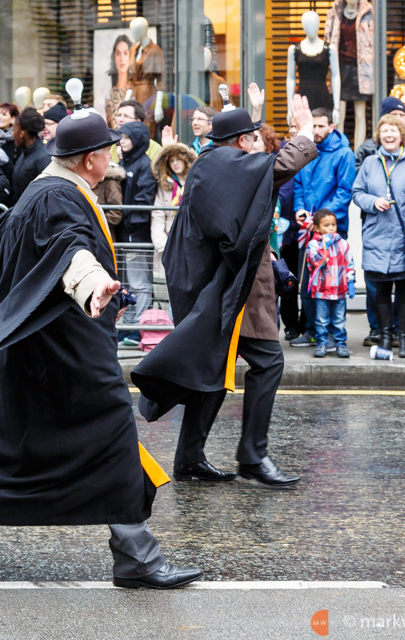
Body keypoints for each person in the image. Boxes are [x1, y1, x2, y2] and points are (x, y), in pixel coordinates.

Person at [0, 108, 203, 589]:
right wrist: (96, 283)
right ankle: (137, 558)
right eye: (106, 152)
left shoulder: (47, 188)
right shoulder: (59, 197)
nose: (111, 159)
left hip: (39, 349)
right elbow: (69, 249)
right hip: (64, 354)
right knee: (111, 431)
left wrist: (104, 293)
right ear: (88, 160)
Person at [132, 96, 317, 487]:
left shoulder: (213, 163)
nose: (254, 146)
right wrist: (302, 133)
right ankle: (252, 456)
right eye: (251, 138)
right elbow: (278, 167)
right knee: (268, 362)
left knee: (212, 370)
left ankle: (189, 459)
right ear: (242, 141)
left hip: (217, 288)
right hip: (222, 291)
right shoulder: (220, 164)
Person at [352, 114, 405, 357]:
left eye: (394, 131)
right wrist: (372, 201)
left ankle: (404, 339)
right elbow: (356, 192)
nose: (389, 135)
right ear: (379, 135)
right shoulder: (369, 163)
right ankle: (386, 337)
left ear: (402, 135)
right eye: (385, 131)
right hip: (377, 234)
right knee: (381, 289)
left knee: (404, 287)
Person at [288, 107, 356, 348]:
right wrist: (299, 210)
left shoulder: (344, 153)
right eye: (312, 126)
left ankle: (334, 336)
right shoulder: (305, 150)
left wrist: (318, 219)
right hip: (307, 230)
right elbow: (297, 186)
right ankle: (313, 332)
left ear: (331, 127)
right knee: (308, 284)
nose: (315, 130)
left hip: (331, 231)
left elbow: (344, 192)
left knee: (333, 286)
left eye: (320, 126)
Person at [116, 120, 157, 345]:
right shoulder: (127, 163)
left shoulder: (144, 165)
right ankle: (127, 326)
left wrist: (129, 222)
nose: (121, 142)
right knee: (127, 283)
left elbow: (143, 200)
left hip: (136, 236)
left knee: (139, 283)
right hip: (124, 235)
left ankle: (139, 327)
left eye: (126, 138)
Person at [305, 209, 355, 358]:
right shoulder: (313, 244)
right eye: (326, 225)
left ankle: (341, 344)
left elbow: (349, 263)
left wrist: (351, 281)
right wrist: (324, 246)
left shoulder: (343, 244)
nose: (331, 228)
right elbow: (315, 261)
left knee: (339, 320)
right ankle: (322, 344)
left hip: (339, 289)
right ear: (317, 228)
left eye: (333, 225)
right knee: (321, 320)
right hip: (322, 289)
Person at [150, 142, 196, 285]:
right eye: (171, 161)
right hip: (170, 241)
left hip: (192, 240)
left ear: (185, 160)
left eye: (178, 159)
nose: (175, 164)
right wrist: (163, 245)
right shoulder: (165, 185)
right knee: (170, 286)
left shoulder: (195, 181)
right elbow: (158, 214)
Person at [9, 107, 50, 205]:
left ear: (22, 133)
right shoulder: (25, 153)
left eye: (14, 129)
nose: (12, 134)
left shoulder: (43, 158)